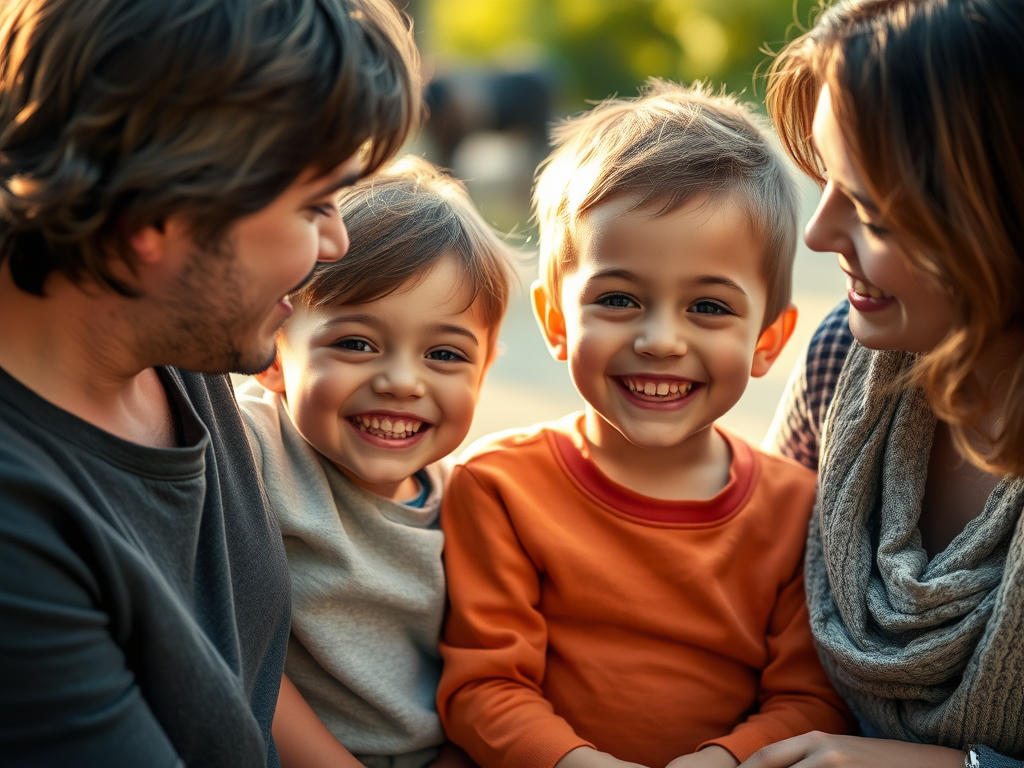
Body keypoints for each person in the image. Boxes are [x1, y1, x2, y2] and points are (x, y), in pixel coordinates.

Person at [0, 0, 419, 766]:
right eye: (315, 205)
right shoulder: (19, 536)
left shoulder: (174, 344)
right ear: (154, 218)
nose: (338, 241)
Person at [436, 80, 854, 768]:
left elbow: (810, 699)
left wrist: (724, 759)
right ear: (555, 320)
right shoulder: (500, 487)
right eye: (620, 298)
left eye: (709, 308)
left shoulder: (796, 507)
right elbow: (484, 687)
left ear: (769, 341)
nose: (661, 339)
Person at [743, 1, 1024, 766]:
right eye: (828, 181)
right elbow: (750, 603)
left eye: (870, 208)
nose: (818, 233)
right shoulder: (843, 358)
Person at [238, 155, 514, 768]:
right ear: (273, 355)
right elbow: (237, 655)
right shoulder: (255, 448)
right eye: (356, 344)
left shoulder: (469, 500)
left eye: (444, 354)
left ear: (485, 371)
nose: (400, 382)